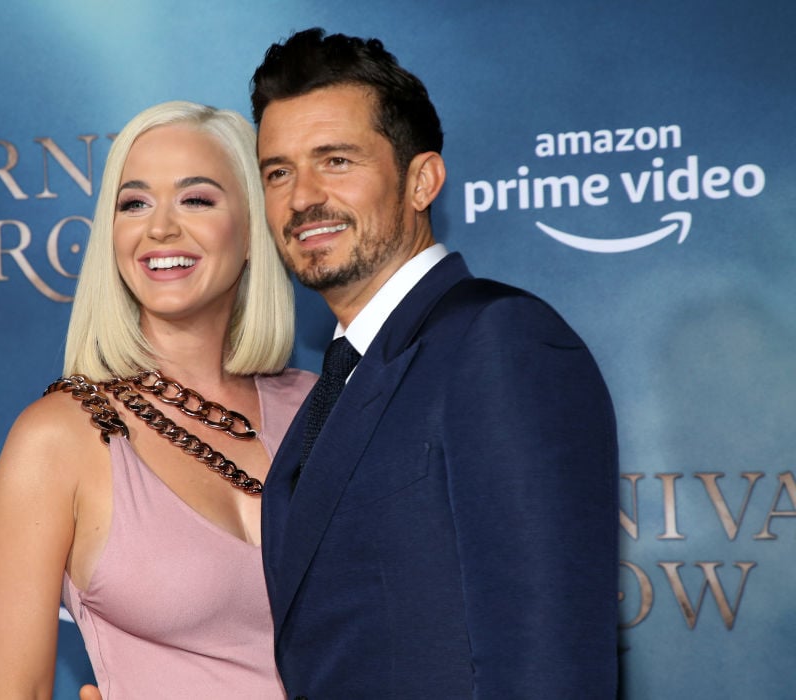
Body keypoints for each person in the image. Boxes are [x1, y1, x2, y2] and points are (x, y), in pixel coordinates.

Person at [251, 28, 620, 698]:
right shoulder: (334, 383)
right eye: (278, 171)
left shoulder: (502, 342)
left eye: (336, 161)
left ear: (421, 180)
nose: (302, 197)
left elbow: (550, 657)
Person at [0, 101, 315, 699]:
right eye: (134, 203)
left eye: (197, 199)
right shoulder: (57, 439)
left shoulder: (322, 408)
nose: (159, 228)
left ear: (253, 231)